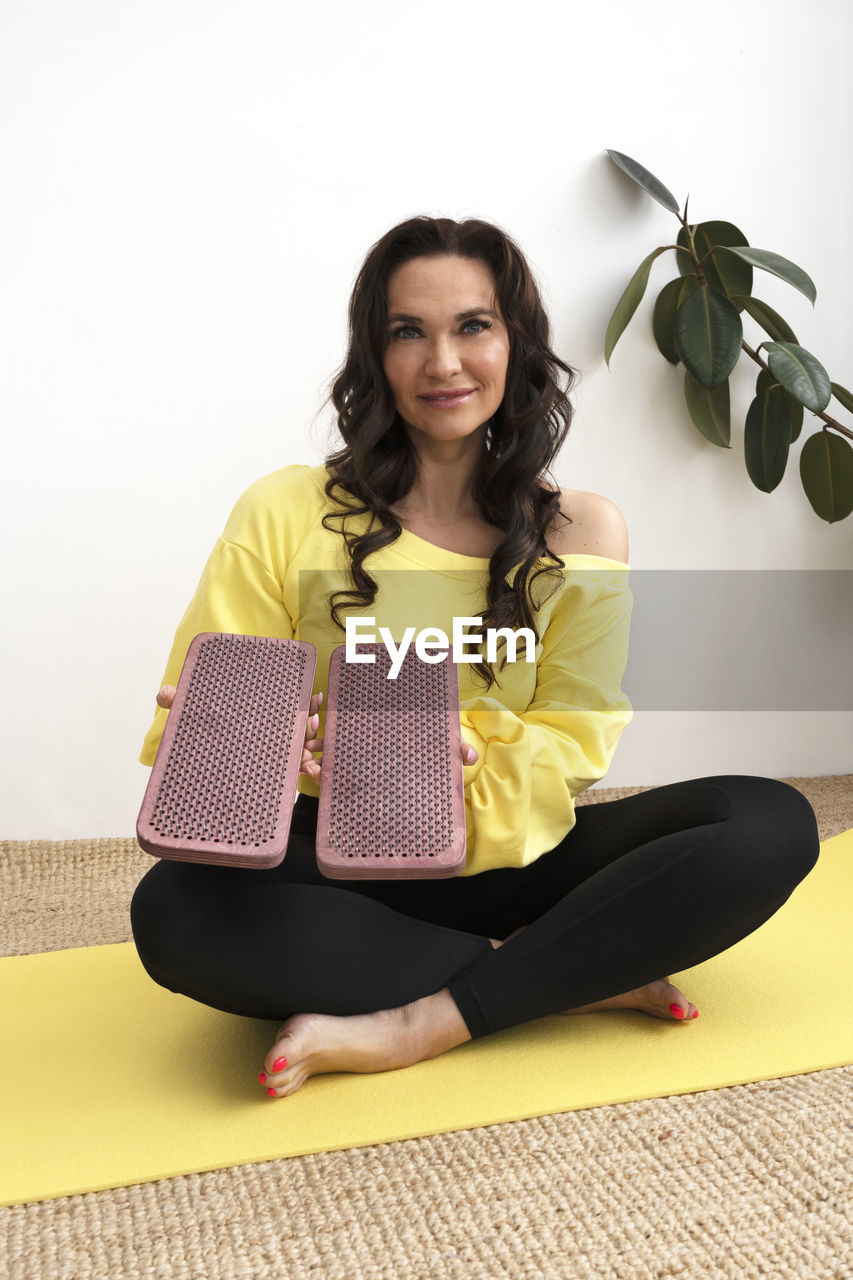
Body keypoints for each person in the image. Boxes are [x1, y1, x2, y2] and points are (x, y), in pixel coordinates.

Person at [130, 216, 821, 1100]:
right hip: (338, 871)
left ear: (515, 342)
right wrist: (251, 744)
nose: (442, 363)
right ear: (372, 355)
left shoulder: (582, 530)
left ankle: (424, 1019)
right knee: (174, 912)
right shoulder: (284, 510)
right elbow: (215, 742)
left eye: (472, 327)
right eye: (406, 332)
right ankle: (560, 978)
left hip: (514, 861)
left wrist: (452, 755)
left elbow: (574, 737)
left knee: (765, 824)